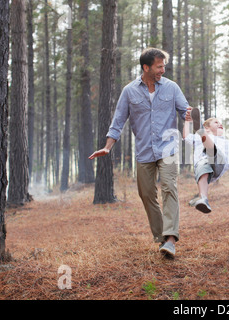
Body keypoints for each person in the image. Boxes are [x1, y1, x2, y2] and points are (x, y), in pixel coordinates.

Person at [89, 48, 193, 259]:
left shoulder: (172, 88)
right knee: (146, 194)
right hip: (144, 150)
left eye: (164, 66)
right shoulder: (129, 91)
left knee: (169, 188)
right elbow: (118, 121)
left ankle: (171, 239)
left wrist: (191, 120)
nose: (163, 70)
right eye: (159, 66)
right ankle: (162, 238)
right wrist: (107, 147)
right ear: (146, 67)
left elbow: (186, 112)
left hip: (168, 149)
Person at [183, 108, 229, 213]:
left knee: (213, 152)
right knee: (203, 167)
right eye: (216, 122)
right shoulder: (198, 138)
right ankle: (203, 199)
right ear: (207, 128)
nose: (219, 124)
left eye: (220, 123)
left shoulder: (228, 144)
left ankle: (200, 131)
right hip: (203, 166)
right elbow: (186, 137)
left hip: (219, 164)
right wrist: (187, 121)